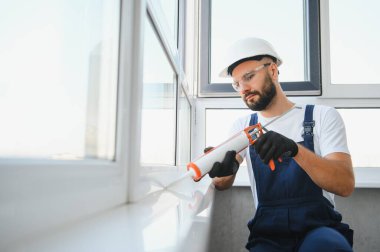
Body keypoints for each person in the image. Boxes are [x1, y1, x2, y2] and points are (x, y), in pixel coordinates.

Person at [207, 37, 355, 251]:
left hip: (319, 227)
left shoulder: (322, 116)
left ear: (273, 71)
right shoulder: (244, 127)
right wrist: (224, 169)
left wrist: (295, 150)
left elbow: (345, 184)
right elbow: (221, 183)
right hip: (268, 234)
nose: (243, 89)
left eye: (249, 77)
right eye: (237, 84)